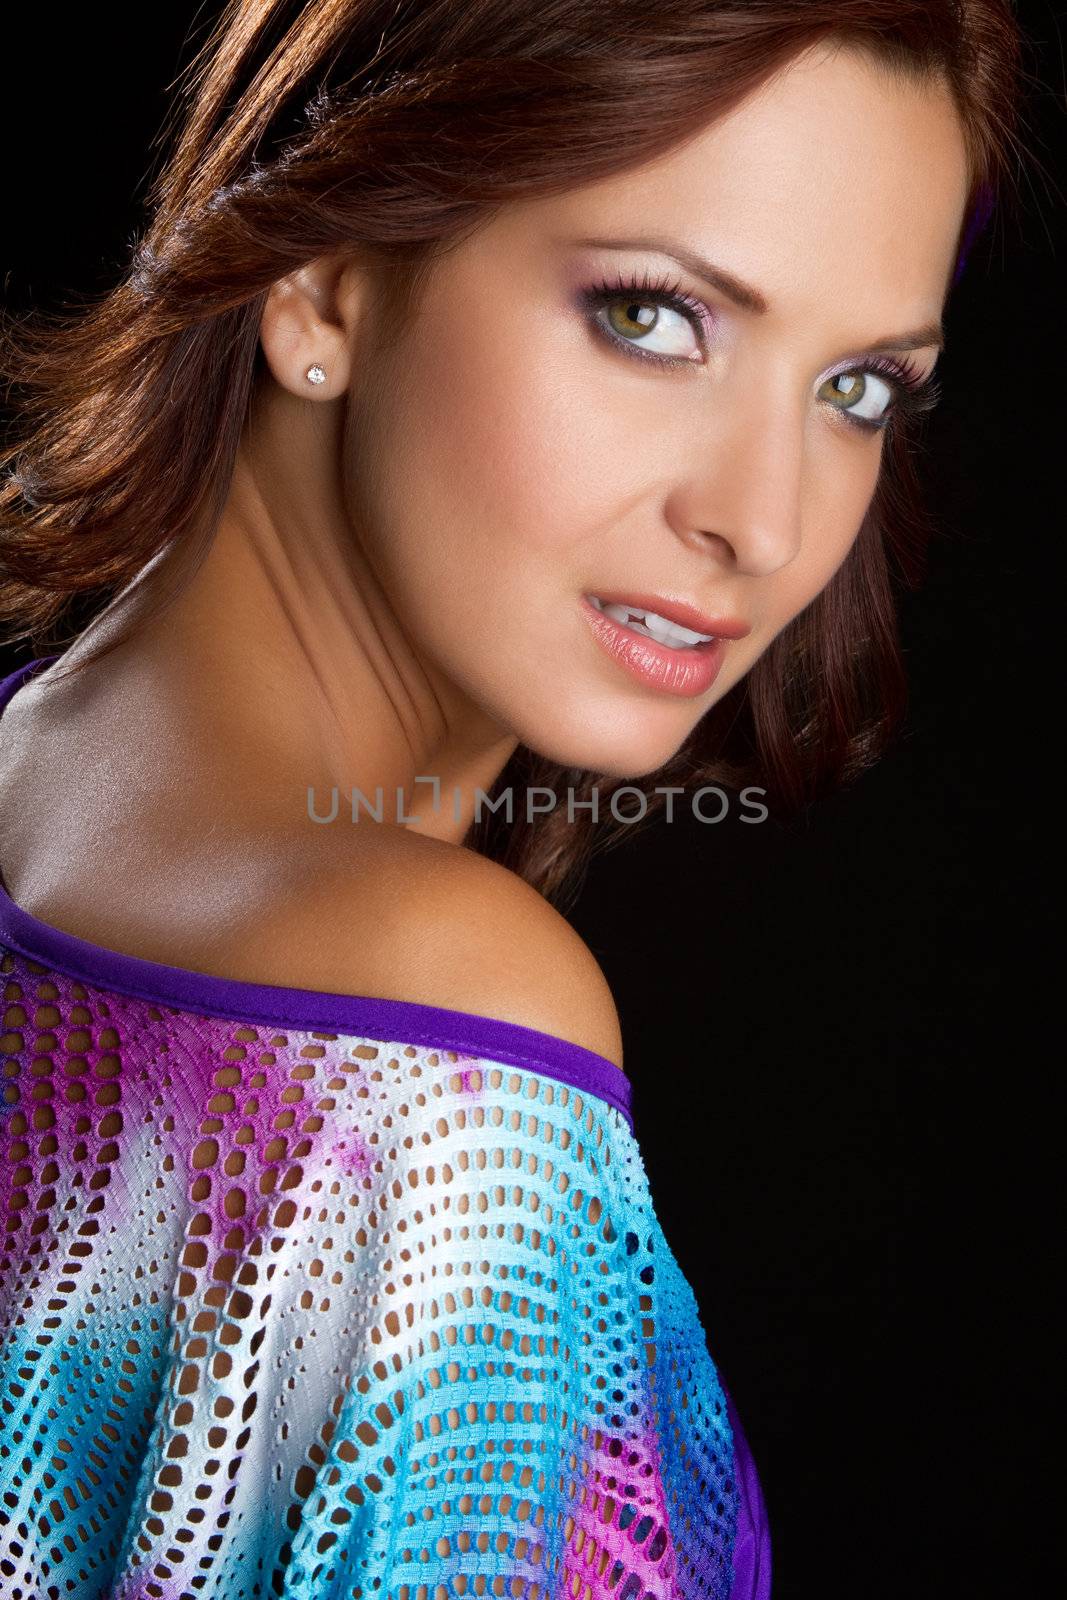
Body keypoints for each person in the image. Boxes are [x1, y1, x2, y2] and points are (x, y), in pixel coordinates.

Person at [0, 2, 1022, 1595]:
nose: (762, 520)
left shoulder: (35, 779)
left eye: (861, 389)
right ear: (326, 274)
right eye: (655, 319)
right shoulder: (435, 1042)